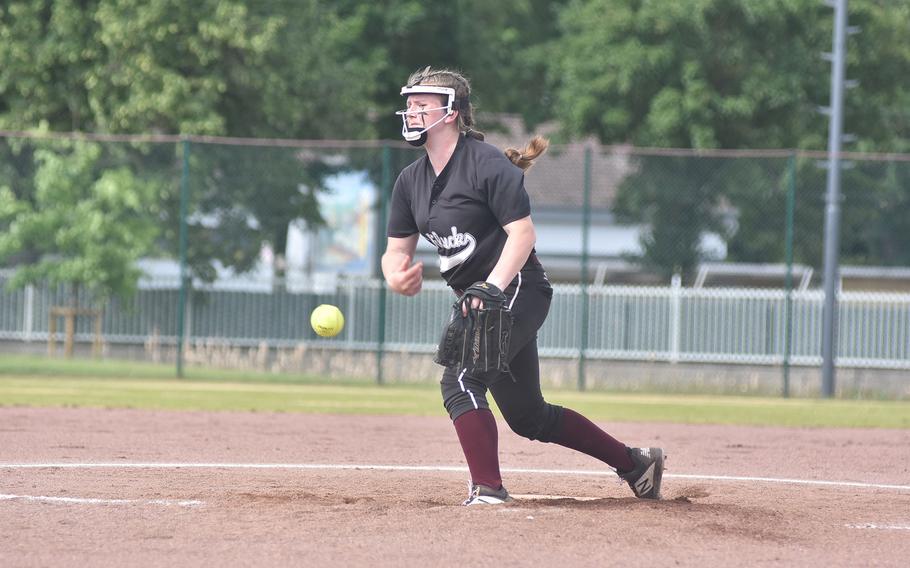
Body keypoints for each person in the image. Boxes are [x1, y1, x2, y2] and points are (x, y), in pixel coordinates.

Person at [381, 66, 665, 505]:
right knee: (529, 417)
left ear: (452, 112)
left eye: (422, 104)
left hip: (515, 288)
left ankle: (489, 489)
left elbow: (523, 234)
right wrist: (395, 275)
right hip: (479, 299)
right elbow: (396, 251)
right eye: (410, 104)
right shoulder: (410, 181)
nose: (412, 112)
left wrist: (491, 288)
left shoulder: (485, 163)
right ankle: (637, 464)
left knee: (460, 380)